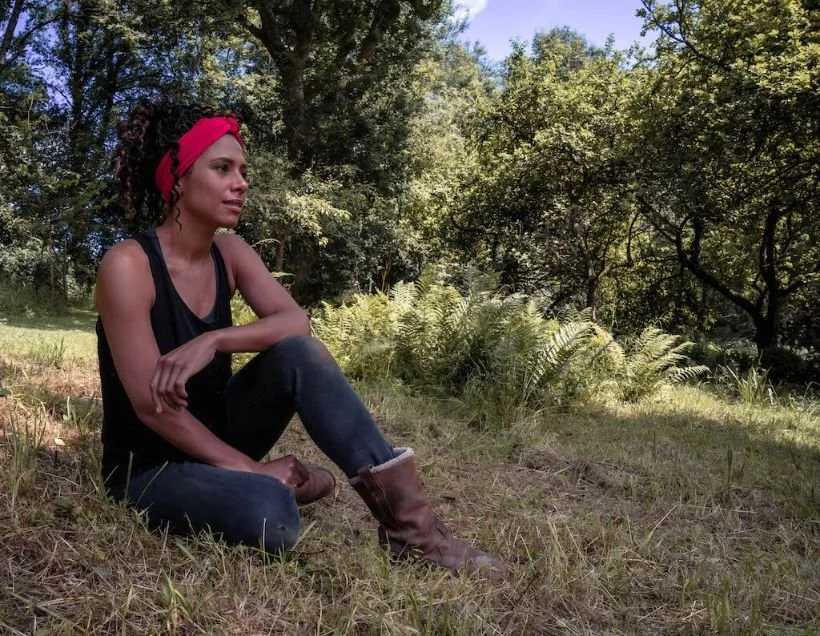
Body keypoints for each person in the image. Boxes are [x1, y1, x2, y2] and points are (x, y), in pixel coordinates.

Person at [96, 100, 504, 580]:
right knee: (272, 516)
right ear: (179, 179)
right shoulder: (128, 266)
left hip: (220, 431)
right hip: (150, 468)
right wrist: (250, 469)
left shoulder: (230, 253)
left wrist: (216, 340)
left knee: (299, 355)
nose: (241, 182)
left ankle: (415, 535)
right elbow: (152, 408)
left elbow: (296, 322)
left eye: (243, 170)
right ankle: (278, 482)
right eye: (222, 168)